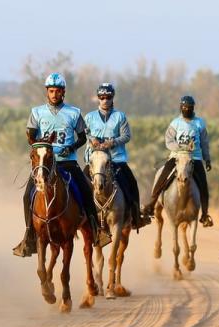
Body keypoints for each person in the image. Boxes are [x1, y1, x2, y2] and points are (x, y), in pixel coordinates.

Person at [13, 73, 110, 257]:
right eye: (51, 91)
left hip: (68, 163)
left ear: (63, 92)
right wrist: (39, 147)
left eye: (58, 91)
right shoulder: (36, 112)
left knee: (86, 189)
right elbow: (31, 138)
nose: (54, 94)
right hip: (45, 164)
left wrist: (71, 147)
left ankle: (97, 230)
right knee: (27, 196)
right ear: (47, 92)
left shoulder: (73, 112)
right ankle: (29, 235)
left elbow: (82, 137)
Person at [82, 83, 148, 229]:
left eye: (108, 97)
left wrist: (112, 142)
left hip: (116, 160)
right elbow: (85, 132)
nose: (105, 100)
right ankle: (79, 216)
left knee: (132, 183)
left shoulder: (120, 116)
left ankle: (137, 217)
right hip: (94, 161)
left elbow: (126, 136)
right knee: (80, 184)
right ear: (98, 98)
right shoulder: (90, 117)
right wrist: (91, 139)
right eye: (102, 97)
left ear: (113, 97)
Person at [141, 95, 213, 227]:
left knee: (203, 185)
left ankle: (205, 214)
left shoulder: (199, 123)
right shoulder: (175, 123)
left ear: (193, 108)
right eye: (184, 107)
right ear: (181, 107)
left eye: (189, 107)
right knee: (162, 177)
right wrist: (179, 148)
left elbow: (204, 142)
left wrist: (207, 159)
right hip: (176, 157)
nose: (187, 109)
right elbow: (168, 140)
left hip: (194, 158)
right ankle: (151, 204)